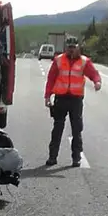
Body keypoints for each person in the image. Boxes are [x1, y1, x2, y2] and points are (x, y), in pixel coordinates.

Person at [43, 36, 102, 167]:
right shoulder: (58, 60)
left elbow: (93, 73)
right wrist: (47, 96)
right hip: (61, 98)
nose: (71, 50)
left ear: (77, 47)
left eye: (73, 47)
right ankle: (52, 157)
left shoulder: (84, 61)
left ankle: (76, 158)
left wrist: (97, 82)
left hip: (76, 99)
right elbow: (51, 78)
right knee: (57, 128)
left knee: (77, 129)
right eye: (69, 47)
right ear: (66, 48)